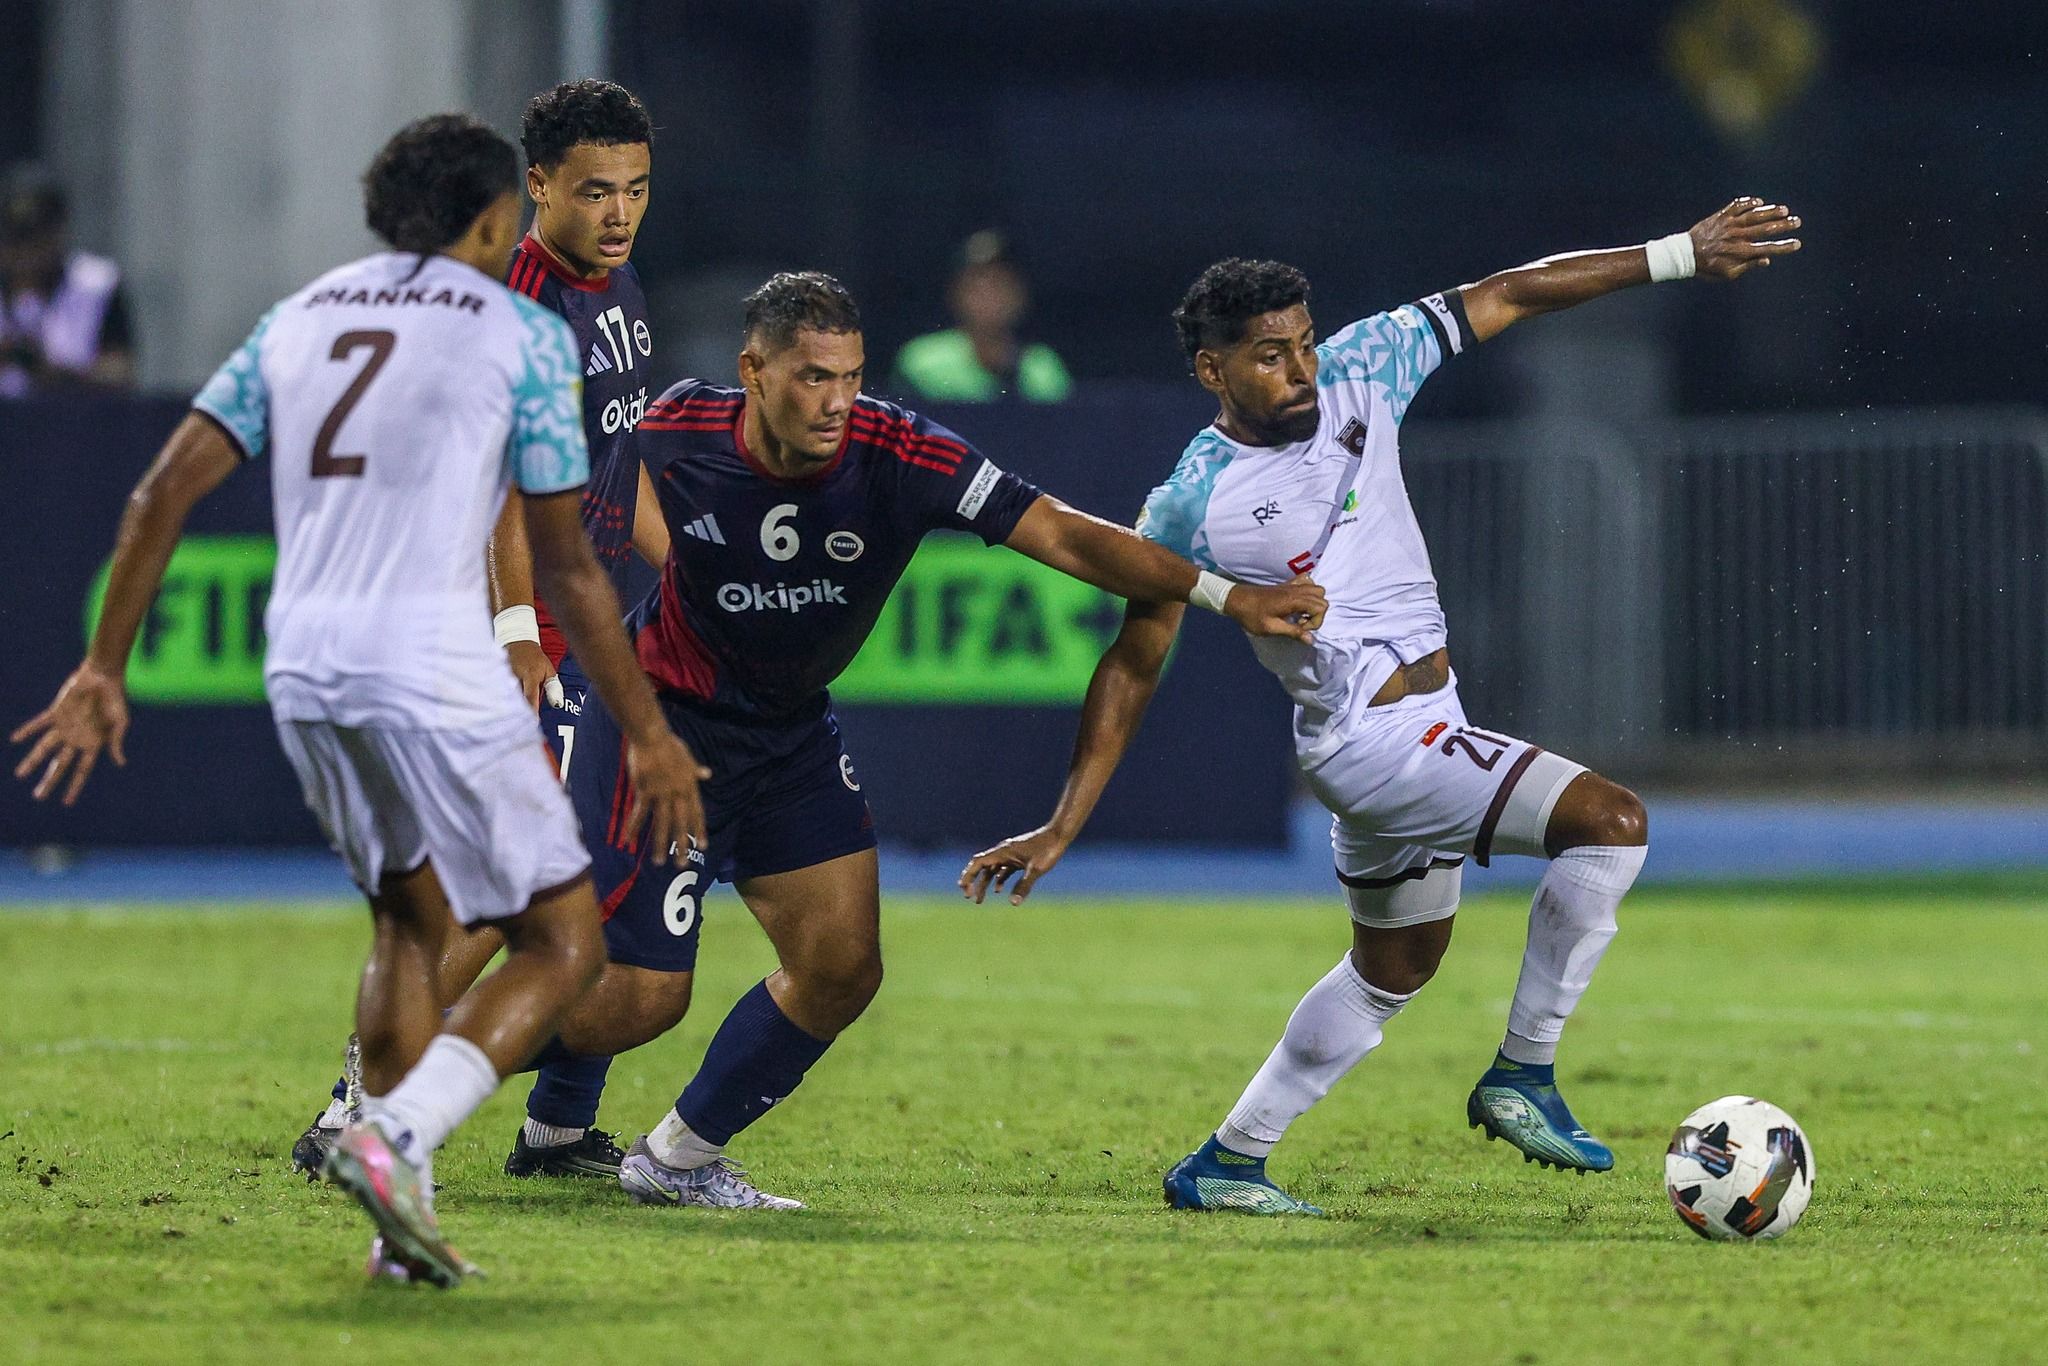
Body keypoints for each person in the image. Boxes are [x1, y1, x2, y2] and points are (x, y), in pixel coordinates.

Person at [961, 199, 1803, 1214]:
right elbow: (1134, 659)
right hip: (1372, 742)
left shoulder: (1368, 364)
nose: (1299, 371)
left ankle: (1227, 1161)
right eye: (1268, 356)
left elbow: (1512, 289)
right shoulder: (1194, 498)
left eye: (1302, 344)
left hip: (1418, 723)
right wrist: (1063, 824)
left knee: (1391, 968)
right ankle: (1523, 1072)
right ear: (1211, 370)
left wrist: (1674, 255)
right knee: (1611, 825)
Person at [460, 270, 1323, 1211]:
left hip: (787, 737)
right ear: (753, 371)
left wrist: (1226, 594)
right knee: (638, 999)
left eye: (851, 376)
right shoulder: (674, 429)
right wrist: (519, 626)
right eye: (812, 379)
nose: (837, 402)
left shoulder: (901, 450)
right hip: (668, 727)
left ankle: (674, 1158)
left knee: (841, 967)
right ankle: (413, 1064)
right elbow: (537, 485)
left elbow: (1068, 539)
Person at [10, 115, 704, 1284]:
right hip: (434, 660)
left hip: (306, 666)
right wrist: (646, 728)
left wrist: (101, 667)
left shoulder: (303, 315)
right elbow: (570, 561)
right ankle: (399, 1130)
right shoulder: (521, 333)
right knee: (561, 937)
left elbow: (161, 489)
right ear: (495, 218)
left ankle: (394, 1217)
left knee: (406, 919)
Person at [290, 78, 670, 1187]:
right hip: (506, 628)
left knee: (588, 871)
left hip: (579, 625)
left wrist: (678, 571)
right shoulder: (515, 301)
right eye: (595, 190)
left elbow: (612, 455)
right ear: (535, 185)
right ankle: (354, 1109)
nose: (619, 212)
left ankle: (549, 1127)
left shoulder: (616, 285)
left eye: (637, 189)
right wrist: (516, 636)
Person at [889, 230, 1071, 403]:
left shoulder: (1043, 367)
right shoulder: (921, 362)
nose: (990, 297)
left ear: (1020, 295)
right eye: (978, 287)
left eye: (1000, 285)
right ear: (956, 294)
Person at [0, 165, 135, 395]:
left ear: (59, 232)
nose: (26, 253)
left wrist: (53, 371)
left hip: (76, 424)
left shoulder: (95, 285)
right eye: (15, 240)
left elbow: (121, 376)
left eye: (36, 240)